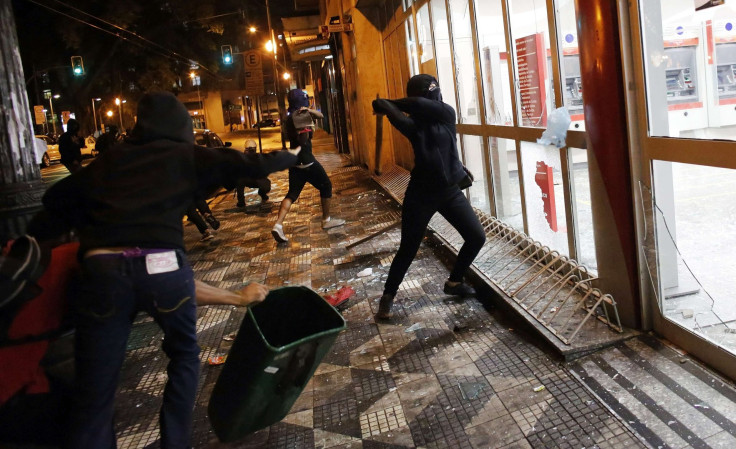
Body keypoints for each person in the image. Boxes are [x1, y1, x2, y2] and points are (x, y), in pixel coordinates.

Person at [31, 92, 299, 448]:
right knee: (184, 357)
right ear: (182, 127)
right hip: (164, 269)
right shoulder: (185, 155)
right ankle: (175, 441)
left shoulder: (110, 161)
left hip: (103, 272)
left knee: (96, 385)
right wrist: (288, 156)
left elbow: (55, 201)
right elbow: (245, 164)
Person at [371, 74, 486, 320]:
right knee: (408, 249)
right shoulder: (412, 125)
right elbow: (404, 112)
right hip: (421, 193)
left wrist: (388, 102)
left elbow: (421, 105)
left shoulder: (447, 115)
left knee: (476, 236)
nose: (434, 97)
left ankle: (454, 282)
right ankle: (388, 295)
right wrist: (385, 107)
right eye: (429, 92)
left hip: (450, 191)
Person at [271, 89, 345, 243]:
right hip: (307, 161)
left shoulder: (289, 117)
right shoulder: (302, 117)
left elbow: (320, 115)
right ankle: (326, 220)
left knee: (292, 194)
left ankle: (278, 224)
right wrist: (305, 129)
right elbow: (304, 140)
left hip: (295, 163)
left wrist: (309, 110)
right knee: (326, 185)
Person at [236, 139, 271, 207]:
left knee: (266, 185)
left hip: (257, 179)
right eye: (249, 149)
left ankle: (262, 193)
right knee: (239, 180)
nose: (251, 151)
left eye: (253, 149)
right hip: (247, 179)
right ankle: (241, 201)